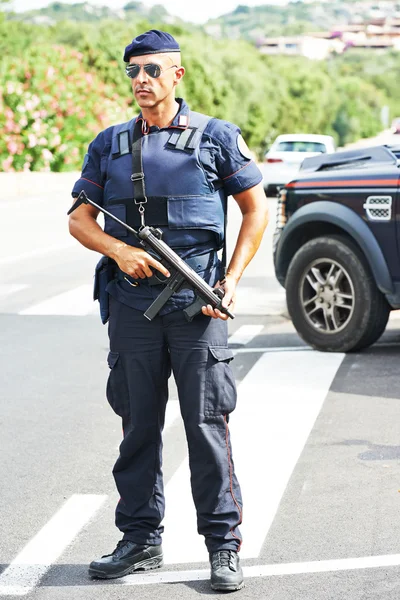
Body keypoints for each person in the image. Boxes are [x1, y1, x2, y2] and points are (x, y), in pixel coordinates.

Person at [69, 29, 268, 592]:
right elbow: (80, 219)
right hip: (132, 309)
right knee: (137, 427)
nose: (141, 81)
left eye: (152, 70)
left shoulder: (216, 139)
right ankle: (139, 540)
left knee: (207, 427)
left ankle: (223, 547)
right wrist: (120, 249)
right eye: (132, 72)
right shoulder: (108, 144)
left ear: (177, 74)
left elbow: (256, 212)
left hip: (197, 308)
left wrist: (230, 280)